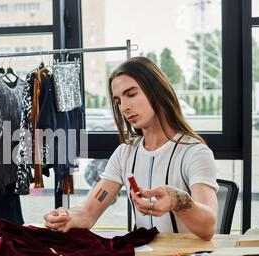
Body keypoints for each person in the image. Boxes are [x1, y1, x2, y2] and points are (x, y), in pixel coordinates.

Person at [44, 57, 218, 241]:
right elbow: (89, 212)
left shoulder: (195, 153)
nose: (124, 107)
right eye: (118, 101)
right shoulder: (124, 154)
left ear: (157, 91)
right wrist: (66, 217)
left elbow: (208, 227)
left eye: (132, 94)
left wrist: (178, 201)